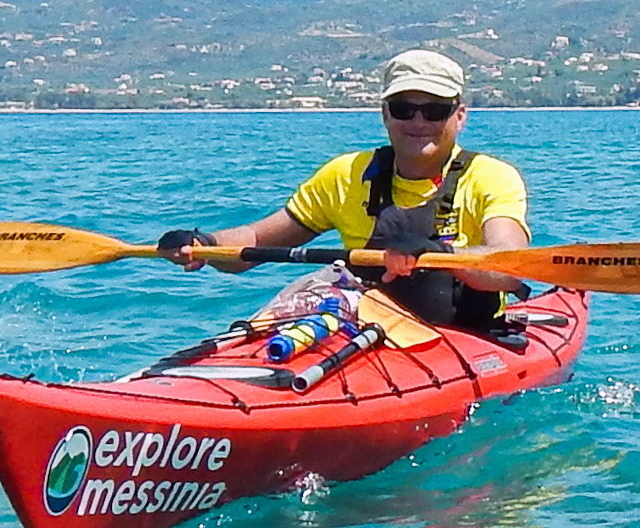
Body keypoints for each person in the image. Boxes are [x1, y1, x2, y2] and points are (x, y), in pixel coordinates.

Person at [162, 49, 534, 335]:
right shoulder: (346, 175)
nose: (418, 122)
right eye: (404, 109)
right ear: (385, 115)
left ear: (460, 115)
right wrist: (206, 244)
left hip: (462, 337)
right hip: (362, 334)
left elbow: (510, 264)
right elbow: (256, 242)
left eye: (434, 110)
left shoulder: (490, 177)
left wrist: (437, 253)